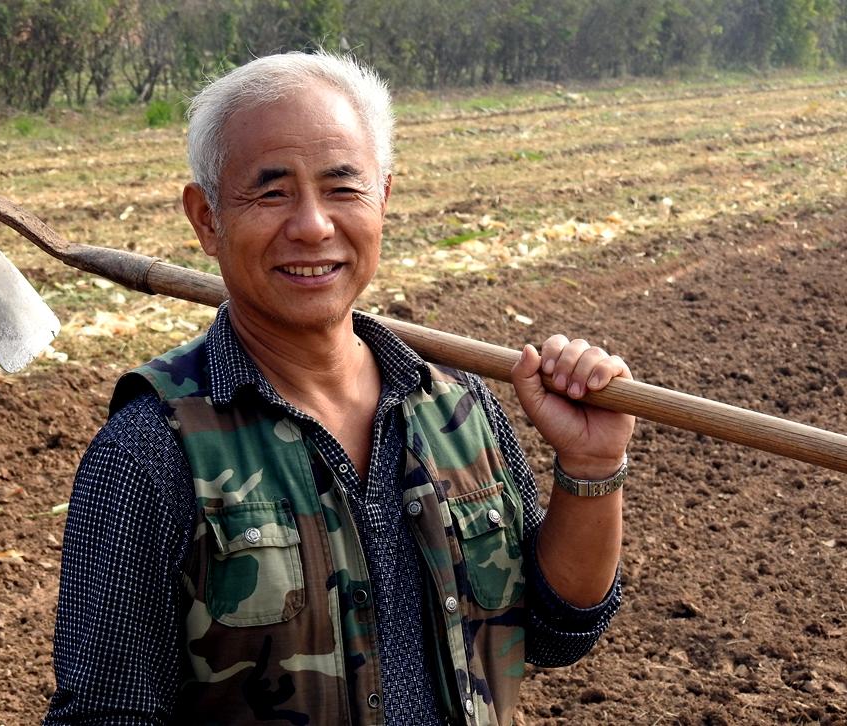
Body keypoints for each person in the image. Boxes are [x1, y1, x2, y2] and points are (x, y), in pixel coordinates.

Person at [45, 51, 634, 725]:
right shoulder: (150, 453)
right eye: (271, 193)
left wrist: (592, 467)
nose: (313, 225)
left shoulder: (458, 406)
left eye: (342, 188)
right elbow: (106, 714)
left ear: (383, 197)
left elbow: (558, 634)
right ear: (207, 218)